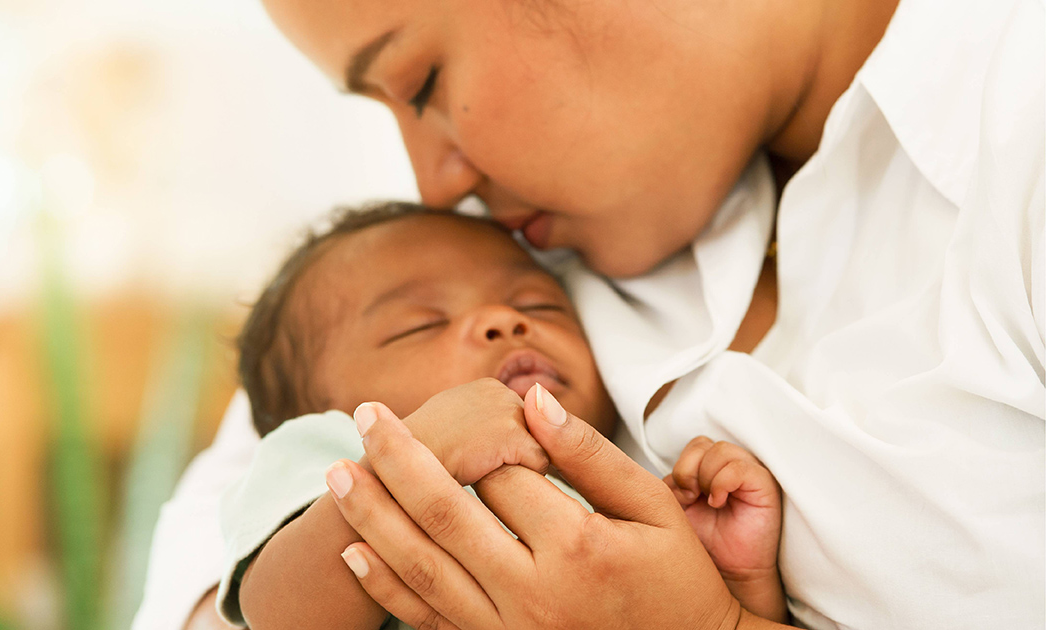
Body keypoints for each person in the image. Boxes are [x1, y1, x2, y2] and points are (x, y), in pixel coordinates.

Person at [137, 0, 1044, 626]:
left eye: (419, 83)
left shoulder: (1011, 144)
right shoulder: (498, 244)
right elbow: (230, 540)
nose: (433, 182)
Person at [221, 202, 788, 628]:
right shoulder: (328, 446)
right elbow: (277, 612)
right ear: (321, 404)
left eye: (537, 303)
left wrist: (734, 584)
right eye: (421, 324)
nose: (503, 318)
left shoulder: (625, 470)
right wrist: (405, 461)